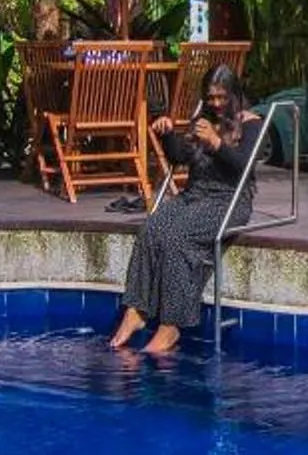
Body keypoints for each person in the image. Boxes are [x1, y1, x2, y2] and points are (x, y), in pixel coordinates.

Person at [111, 67, 264, 355]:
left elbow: (243, 166)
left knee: (178, 239)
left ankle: (171, 326)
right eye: (211, 98)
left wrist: (217, 143)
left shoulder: (252, 124)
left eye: (222, 97)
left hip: (228, 201)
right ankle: (136, 310)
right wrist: (168, 133)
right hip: (194, 195)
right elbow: (180, 158)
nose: (217, 103)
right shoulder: (203, 121)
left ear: (234, 95)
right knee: (152, 228)